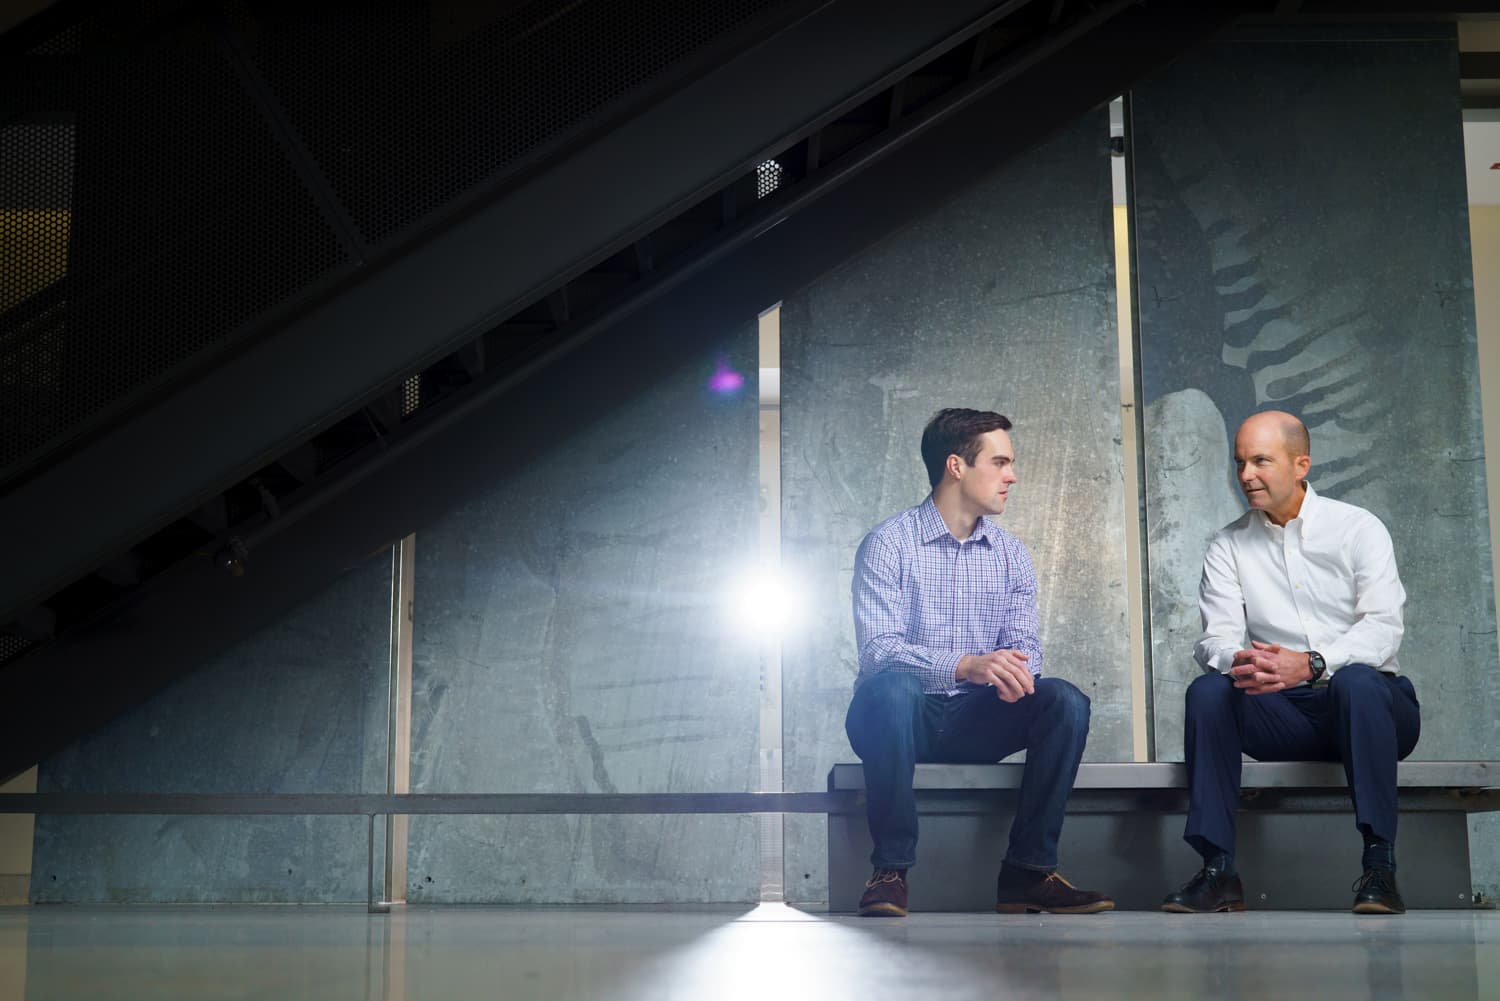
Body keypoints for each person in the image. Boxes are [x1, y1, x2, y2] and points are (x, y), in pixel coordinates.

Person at [845, 407, 1113, 917]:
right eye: (1000, 462)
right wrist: (966, 665)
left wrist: (1016, 674)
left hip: (976, 719)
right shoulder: (889, 544)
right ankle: (890, 870)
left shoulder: (1011, 554)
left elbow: (1025, 646)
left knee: (1064, 700)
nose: (1012, 475)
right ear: (956, 467)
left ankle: (1028, 874)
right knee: (893, 687)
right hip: (901, 717)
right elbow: (879, 651)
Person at [1164, 410, 1420, 915]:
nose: (1246, 476)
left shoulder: (1358, 528)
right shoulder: (1227, 544)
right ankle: (1219, 870)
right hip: (1283, 713)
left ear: (1301, 463)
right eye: (1240, 462)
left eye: (1260, 460)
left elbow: (1383, 627)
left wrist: (1313, 663)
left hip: (1374, 711)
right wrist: (1243, 661)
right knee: (1209, 691)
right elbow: (1213, 639)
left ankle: (1380, 867)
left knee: (1358, 682)